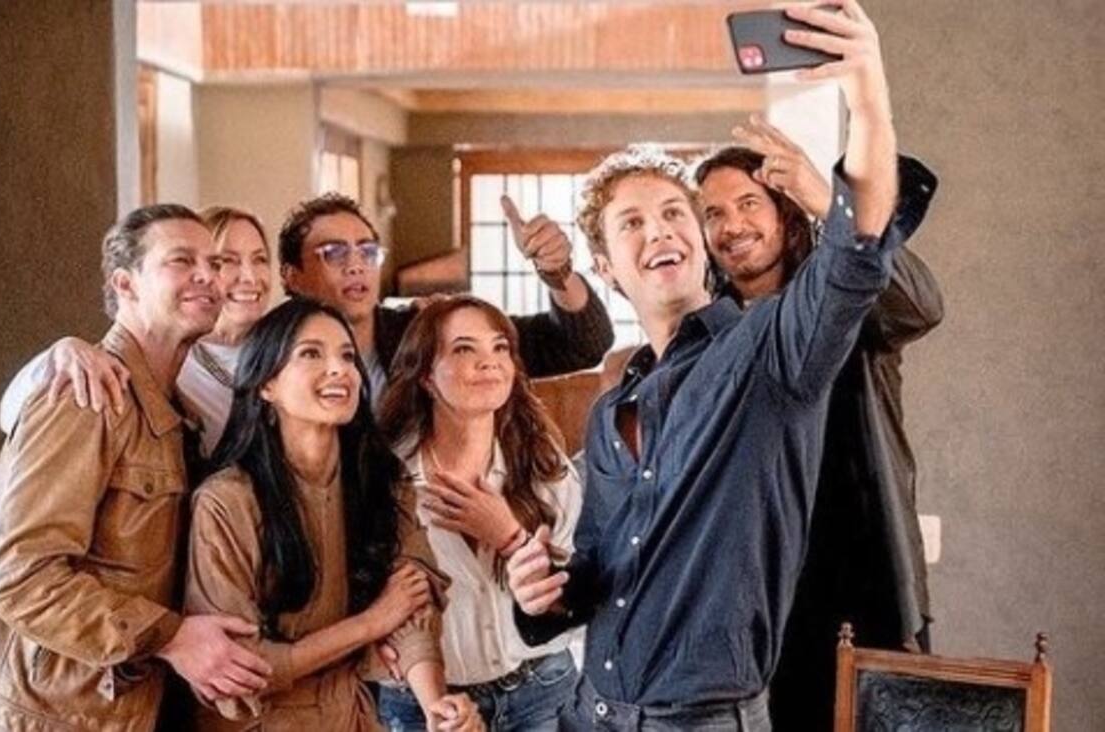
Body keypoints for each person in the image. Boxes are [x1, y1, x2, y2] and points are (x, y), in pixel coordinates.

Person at [504, 2, 935, 728]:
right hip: (589, 711)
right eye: (632, 222)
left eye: (675, 213)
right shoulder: (611, 411)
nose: (660, 231)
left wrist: (867, 96)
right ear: (606, 266)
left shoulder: (767, 351)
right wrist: (540, 592)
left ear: (699, 250)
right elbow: (603, 570)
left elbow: (858, 245)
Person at [0, 204, 273, 731]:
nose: (208, 275)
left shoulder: (175, 408)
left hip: (131, 699)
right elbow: (23, 576)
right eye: (182, 261)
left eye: (214, 262)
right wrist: (171, 637)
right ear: (125, 284)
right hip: (68, 709)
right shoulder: (85, 393)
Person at [694, 120, 940, 730]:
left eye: (748, 203)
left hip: (864, 588)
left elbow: (922, 305)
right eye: (713, 214)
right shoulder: (705, 336)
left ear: (784, 213)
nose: (732, 225)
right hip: (755, 605)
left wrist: (829, 202)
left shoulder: (845, 297)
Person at [183, 296, 482, 731]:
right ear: (266, 385)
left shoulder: (381, 477)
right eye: (311, 354)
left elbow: (411, 598)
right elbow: (238, 668)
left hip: (352, 715)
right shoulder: (226, 502)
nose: (340, 369)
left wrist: (437, 706)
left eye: (347, 356)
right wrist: (368, 625)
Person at [375, 295, 582, 731]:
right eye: (464, 349)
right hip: (427, 703)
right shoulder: (387, 475)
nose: (489, 362)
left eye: (500, 347)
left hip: (542, 688)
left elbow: (576, 595)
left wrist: (509, 536)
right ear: (426, 376)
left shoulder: (543, 463)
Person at [278, 193, 615, 401]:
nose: (356, 265)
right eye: (334, 253)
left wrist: (557, 273)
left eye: (367, 252)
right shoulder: (268, 354)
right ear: (292, 276)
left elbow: (581, 345)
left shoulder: (421, 330)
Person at [0, 205, 275, 456]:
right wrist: (60, 354)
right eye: (227, 261)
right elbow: (18, 415)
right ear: (126, 284)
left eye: (261, 259)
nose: (249, 277)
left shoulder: (284, 349)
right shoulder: (122, 371)